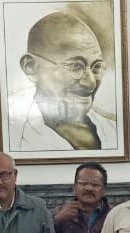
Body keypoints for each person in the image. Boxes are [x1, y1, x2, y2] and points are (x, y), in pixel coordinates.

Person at [9, 11, 117, 151]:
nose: (91, 83)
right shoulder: (15, 136)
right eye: (76, 66)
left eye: (96, 67)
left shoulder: (113, 130)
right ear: (31, 67)